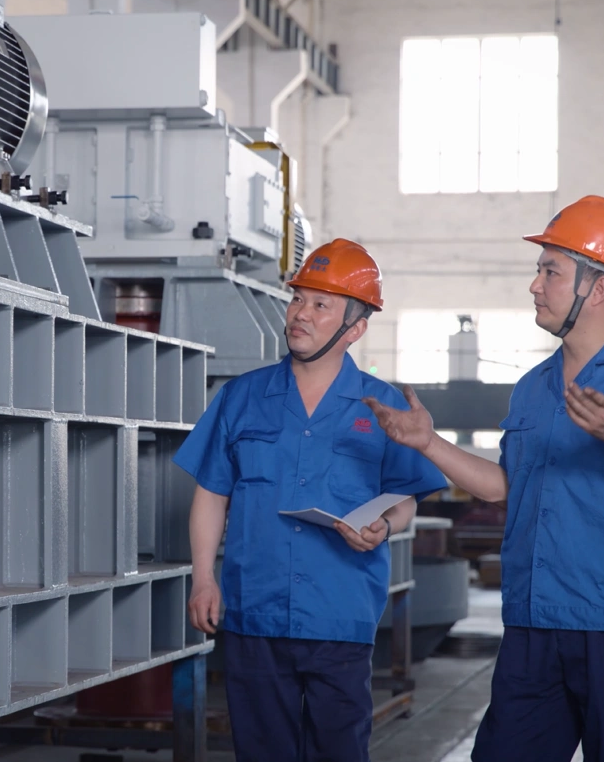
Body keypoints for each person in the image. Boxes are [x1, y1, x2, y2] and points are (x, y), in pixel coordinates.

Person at [365, 196, 604, 762]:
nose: (534, 284)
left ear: (597, 287)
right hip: (533, 618)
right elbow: (507, 485)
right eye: (539, 270)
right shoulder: (534, 386)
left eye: (550, 270)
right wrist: (427, 442)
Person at [176, 238, 448, 762]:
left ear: (356, 328)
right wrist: (204, 579)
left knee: (338, 751)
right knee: (261, 751)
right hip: (254, 609)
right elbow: (211, 492)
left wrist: (386, 526)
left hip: (340, 610)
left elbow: (406, 497)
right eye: (298, 299)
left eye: (321, 305)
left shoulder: (384, 404)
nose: (300, 314)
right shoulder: (241, 397)